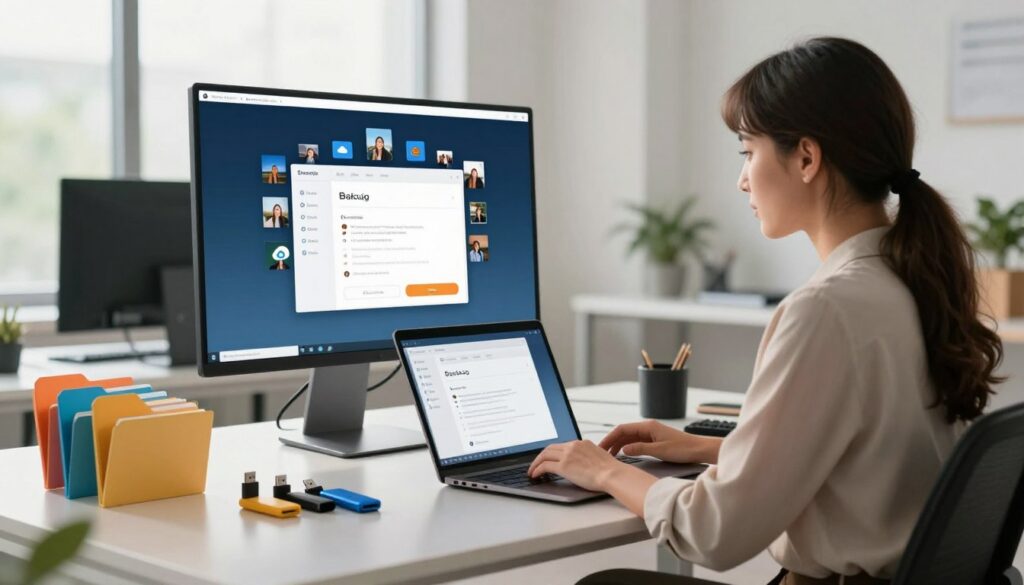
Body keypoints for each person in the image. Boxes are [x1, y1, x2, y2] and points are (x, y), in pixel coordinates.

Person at [533, 37, 1004, 585]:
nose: (741, 179)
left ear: (806, 157)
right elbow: (873, 455)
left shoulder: (827, 308)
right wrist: (714, 447)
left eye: (746, 152)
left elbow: (713, 532)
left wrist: (606, 471)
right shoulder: (910, 280)